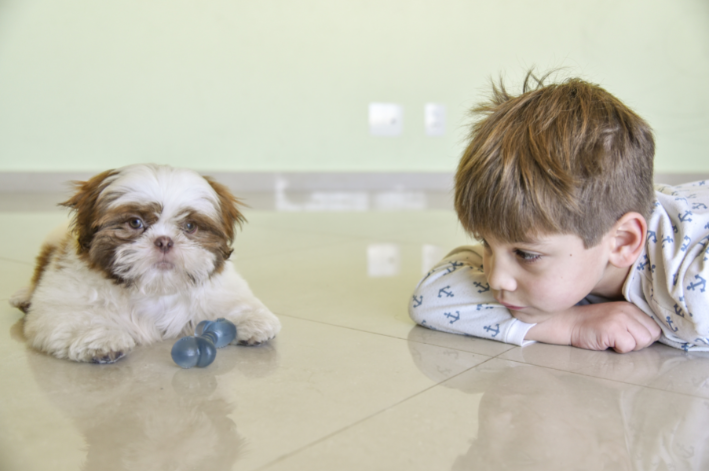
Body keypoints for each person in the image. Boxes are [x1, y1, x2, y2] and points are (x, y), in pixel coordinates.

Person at [409, 71, 709, 353]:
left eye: (526, 254)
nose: (495, 278)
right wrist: (569, 324)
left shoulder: (694, 291)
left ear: (622, 242)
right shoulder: (572, 236)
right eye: (486, 243)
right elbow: (431, 299)